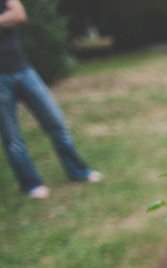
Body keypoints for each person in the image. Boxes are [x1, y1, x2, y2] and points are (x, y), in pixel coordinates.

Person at [0, 0, 102, 199]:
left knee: (56, 123)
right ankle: (31, 185)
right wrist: (5, 19)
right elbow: (11, 16)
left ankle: (78, 172)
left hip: (23, 70)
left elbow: (19, 15)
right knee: (12, 138)